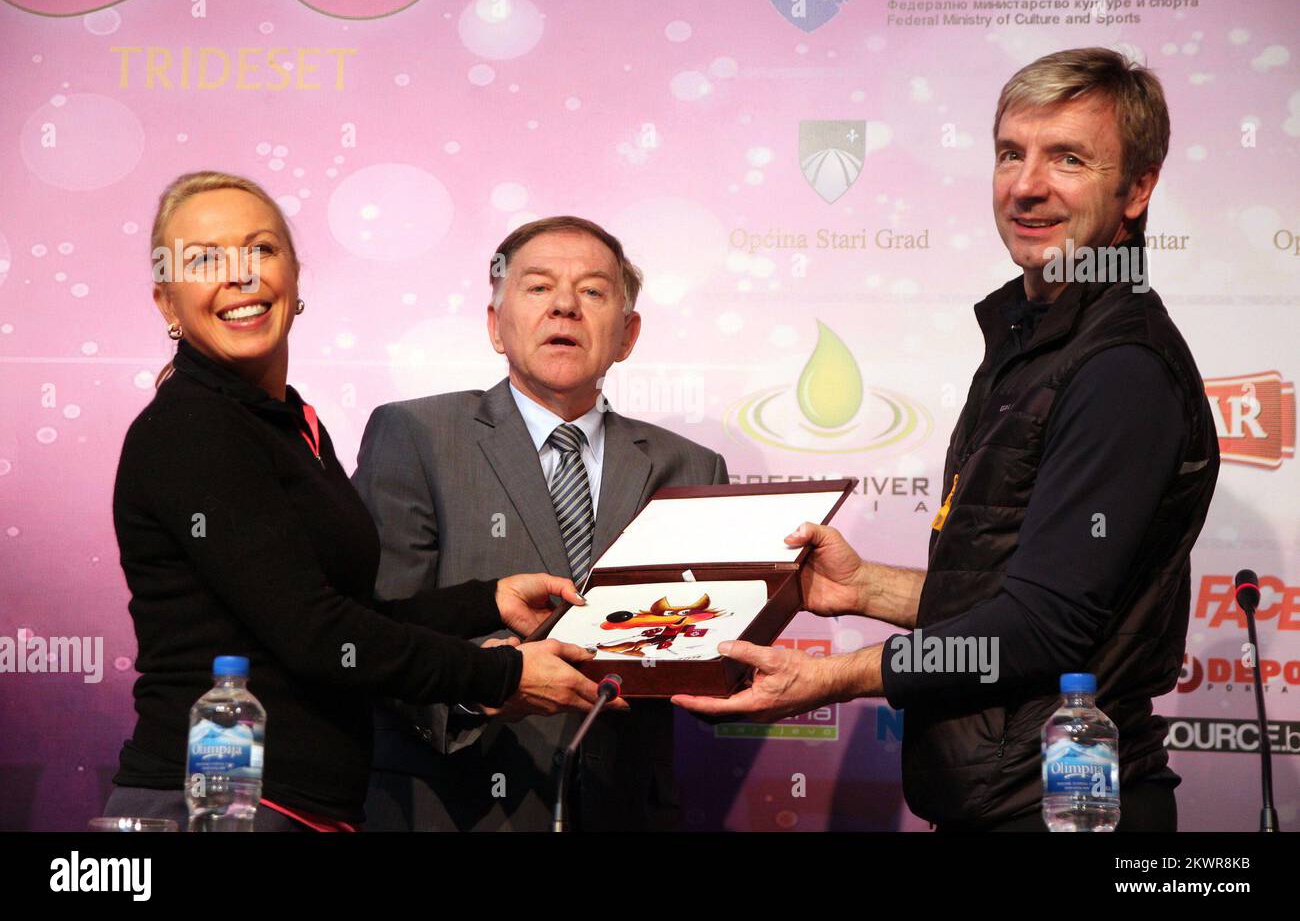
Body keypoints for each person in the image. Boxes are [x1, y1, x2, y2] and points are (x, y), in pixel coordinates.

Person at [674, 48, 1220, 832]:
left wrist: (835, 678)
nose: (1026, 185)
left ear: (1137, 189)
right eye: (1010, 153)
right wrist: (866, 589)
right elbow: (1010, 592)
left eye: (1067, 157)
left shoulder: (1119, 367)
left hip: (1066, 808)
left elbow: (1038, 631)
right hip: (1001, 801)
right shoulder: (1034, 342)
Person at [105, 172, 612, 832]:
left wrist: (485, 603)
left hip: (295, 807)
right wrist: (501, 674)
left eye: (260, 249)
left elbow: (349, 615)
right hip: (219, 806)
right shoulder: (194, 428)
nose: (240, 276)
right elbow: (318, 635)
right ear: (166, 302)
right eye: (204, 260)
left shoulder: (286, 423)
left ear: (295, 277)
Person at [354, 215, 728, 831]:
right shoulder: (416, 436)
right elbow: (378, 626)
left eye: (592, 291)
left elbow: (708, 646)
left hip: (625, 809)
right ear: (495, 325)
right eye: (537, 287)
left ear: (627, 334)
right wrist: (483, 686)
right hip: (455, 805)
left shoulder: (689, 466)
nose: (564, 307)